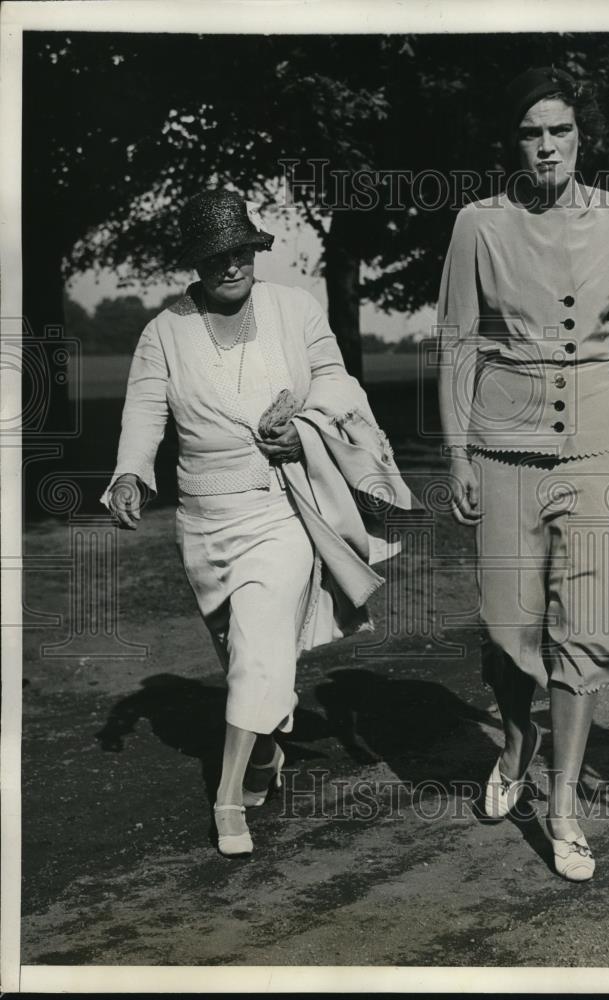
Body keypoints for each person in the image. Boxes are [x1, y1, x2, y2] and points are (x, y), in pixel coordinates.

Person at [437, 67, 609, 881]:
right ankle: (516, 744)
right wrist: (456, 452)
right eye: (530, 132)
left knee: (583, 631)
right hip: (507, 449)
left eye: (559, 130)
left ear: (581, 137)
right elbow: (455, 341)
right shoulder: (479, 224)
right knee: (508, 629)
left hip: (602, 448)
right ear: (513, 142)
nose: (546, 145)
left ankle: (561, 806)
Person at [102, 189, 416, 858]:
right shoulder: (164, 333)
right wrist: (130, 474)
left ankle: (227, 793)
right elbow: (144, 416)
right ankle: (268, 751)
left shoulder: (293, 309)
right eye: (217, 255)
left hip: (279, 510)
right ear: (197, 261)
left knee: (260, 646)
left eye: (241, 250)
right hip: (203, 522)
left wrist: (303, 429)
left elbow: (336, 381)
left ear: (253, 251)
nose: (232, 265)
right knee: (244, 654)